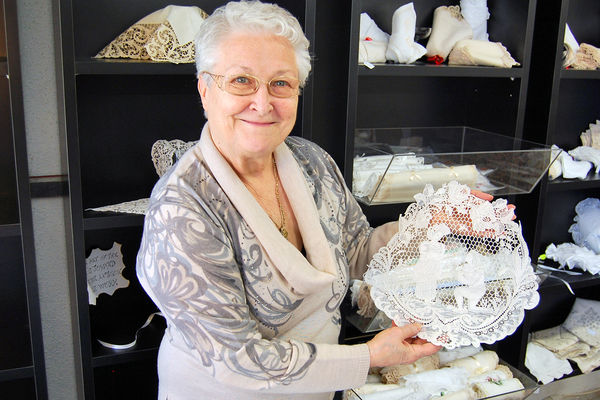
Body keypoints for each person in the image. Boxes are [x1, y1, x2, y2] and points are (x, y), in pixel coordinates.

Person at [136, 2, 447, 399]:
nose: (263, 103)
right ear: (205, 89)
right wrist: (369, 357)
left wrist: (435, 224)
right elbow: (238, 359)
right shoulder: (181, 211)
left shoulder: (311, 161)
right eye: (241, 80)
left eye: (281, 83)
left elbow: (359, 251)